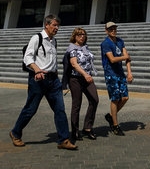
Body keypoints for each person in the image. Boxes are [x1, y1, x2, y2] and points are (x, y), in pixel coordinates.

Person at [10, 14, 77, 150]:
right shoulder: (37, 38)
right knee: (31, 109)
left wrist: (56, 74)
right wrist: (37, 70)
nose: (57, 28)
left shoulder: (54, 41)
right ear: (46, 25)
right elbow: (27, 57)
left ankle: (64, 139)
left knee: (60, 109)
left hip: (53, 81)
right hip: (38, 80)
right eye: (54, 25)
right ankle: (15, 133)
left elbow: (52, 60)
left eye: (58, 25)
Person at [64, 27, 99, 142]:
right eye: (79, 35)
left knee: (94, 100)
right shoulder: (72, 48)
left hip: (87, 78)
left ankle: (87, 127)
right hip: (76, 79)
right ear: (74, 36)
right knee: (76, 105)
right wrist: (85, 74)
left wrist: (88, 74)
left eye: (84, 34)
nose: (82, 36)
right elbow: (74, 64)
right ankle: (75, 131)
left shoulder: (85, 47)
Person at [100, 22, 133, 136]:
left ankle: (110, 116)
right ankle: (115, 125)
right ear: (106, 31)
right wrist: (125, 57)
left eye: (114, 28)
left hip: (120, 73)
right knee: (115, 99)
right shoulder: (105, 43)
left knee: (125, 97)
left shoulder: (120, 41)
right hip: (111, 73)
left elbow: (127, 58)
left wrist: (129, 73)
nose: (113, 31)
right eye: (110, 29)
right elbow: (112, 59)